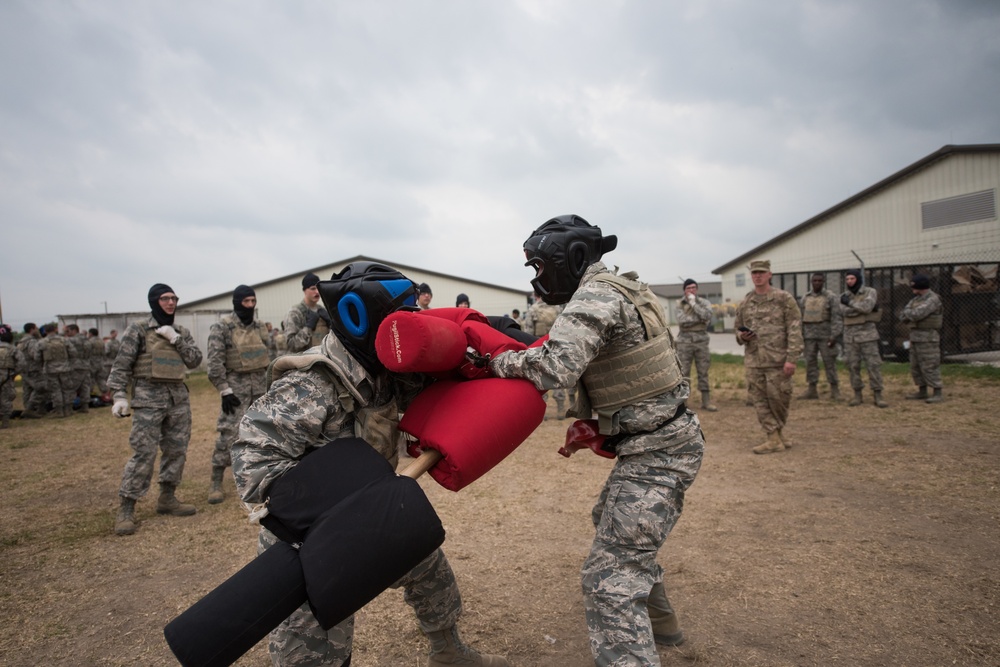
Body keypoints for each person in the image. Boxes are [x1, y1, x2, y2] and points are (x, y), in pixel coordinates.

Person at [232, 261, 509, 667]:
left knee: (428, 568)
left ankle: (448, 652)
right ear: (361, 318)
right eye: (403, 315)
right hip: (309, 537)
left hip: (371, 510)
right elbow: (252, 459)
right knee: (313, 649)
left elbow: (444, 382)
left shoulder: (387, 369)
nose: (411, 323)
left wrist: (492, 339)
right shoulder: (313, 383)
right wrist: (323, 514)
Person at [489, 215, 703, 667]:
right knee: (609, 518)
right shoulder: (623, 287)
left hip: (659, 452)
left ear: (573, 258)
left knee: (609, 578)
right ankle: (662, 622)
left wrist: (495, 363)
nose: (537, 277)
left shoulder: (596, 295)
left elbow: (553, 368)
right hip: (656, 440)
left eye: (540, 267)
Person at [109, 284, 203, 536]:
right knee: (144, 454)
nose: (171, 303)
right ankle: (127, 507)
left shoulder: (180, 331)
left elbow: (195, 360)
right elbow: (121, 367)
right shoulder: (139, 330)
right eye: (165, 298)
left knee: (176, 450)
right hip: (148, 400)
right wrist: (119, 396)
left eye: (174, 298)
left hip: (177, 400)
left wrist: (176, 339)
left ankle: (167, 498)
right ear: (154, 301)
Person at [205, 285, 270, 504]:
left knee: (261, 434)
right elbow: (214, 361)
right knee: (230, 434)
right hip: (235, 389)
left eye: (253, 301)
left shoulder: (261, 327)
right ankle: (216, 480)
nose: (250, 306)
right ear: (237, 303)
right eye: (246, 302)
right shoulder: (222, 327)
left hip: (260, 387)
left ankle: (255, 477)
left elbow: (269, 355)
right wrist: (224, 390)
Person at [734, 260, 804, 454]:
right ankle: (772, 437)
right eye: (755, 273)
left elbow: (795, 329)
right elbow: (737, 327)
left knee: (780, 399)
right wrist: (742, 336)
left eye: (761, 273)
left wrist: (792, 358)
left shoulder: (784, 299)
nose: (758, 276)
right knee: (760, 400)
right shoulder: (746, 302)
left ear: (769, 275)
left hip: (778, 360)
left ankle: (778, 433)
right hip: (754, 361)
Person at [839, 269, 888, 408]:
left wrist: (851, 304)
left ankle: (878, 394)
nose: (849, 281)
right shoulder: (843, 296)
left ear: (858, 279)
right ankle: (857, 394)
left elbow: (867, 307)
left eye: (852, 279)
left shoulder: (870, 292)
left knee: (873, 365)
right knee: (853, 366)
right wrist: (857, 309)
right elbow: (843, 311)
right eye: (847, 279)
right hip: (850, 337)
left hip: (868, 336)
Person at [522, 291, 574, 418]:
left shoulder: (533, 310)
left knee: (540, 379)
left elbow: (528, 332)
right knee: (557, 376)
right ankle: (560, 409)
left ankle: (542, 411)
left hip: (539, 349)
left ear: (535, 296)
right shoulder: (557, 308)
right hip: (556, 347)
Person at [797, 273, 843, 401]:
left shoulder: (831, 297)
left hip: (826, 336)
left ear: (824, 282)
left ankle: (835, 390)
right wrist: (800, 335)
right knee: (810, 362)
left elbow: (836, 317)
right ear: (811, 282)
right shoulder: (805, 298)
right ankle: (812, 390)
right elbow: (800, 317)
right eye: (814, 280)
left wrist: (834, 335)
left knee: (830, 363)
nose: (817, 283)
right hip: (809, 336)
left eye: (819, 280)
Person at [900, 273, 944, 404]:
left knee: (930, 364)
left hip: (928, 338)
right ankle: (922, 390)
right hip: (915, 337)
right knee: (916, 365)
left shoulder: (933, 299)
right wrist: (909, 314)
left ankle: (937, 392)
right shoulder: (916, 300)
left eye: (914, 286)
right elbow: (902, 315)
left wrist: (909, 314)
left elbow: (918, 314)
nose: (912, 289)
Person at [675, 279, 718, 412]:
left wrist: (694, 305)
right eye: (689, 288)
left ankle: (706, 401)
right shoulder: (679, 303)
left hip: (701, 341)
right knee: (684, 372)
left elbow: (707, 315)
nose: (691, 290)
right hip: (684, 341)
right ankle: (683, 403)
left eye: (694, 288)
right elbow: (682, 320)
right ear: (684, 290)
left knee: (703, 370)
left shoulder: (704, 303)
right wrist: (699, 319)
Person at [36, 323, 77, 418]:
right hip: (65, 368)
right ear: (55, 329)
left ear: (45, 331)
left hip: (50, 369)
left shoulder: (42, 342)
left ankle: (59, 411)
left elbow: (37, 357)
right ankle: (68, 409)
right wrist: (68, 363)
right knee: (66, 389)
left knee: (55, 390)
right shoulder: (64, 340)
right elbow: (73, 353)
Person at [284, 272, 331, 354]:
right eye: (313, 288)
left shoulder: (323, 310)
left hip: (323, 359)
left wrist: (331, 324)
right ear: (304, 291)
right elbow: (291, 344)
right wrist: (308, 328)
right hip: (304, 362)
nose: (317, 292)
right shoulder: (295, 312)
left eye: (318, 288)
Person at [16, 323, 48, 418]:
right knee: (41, 388)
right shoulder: (32, 342)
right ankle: (29, 410)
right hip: (34, 369)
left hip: (24, 369)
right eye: (36, 328)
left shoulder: (21, 342)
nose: (37, 330)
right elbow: (35, 356)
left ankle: (31, 410)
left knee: (28, 390)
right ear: (32, 329)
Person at [65, 323, 92, 414]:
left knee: (72, 386)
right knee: (85, 386)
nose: (67, 333)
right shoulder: (87, 340)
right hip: (86, 365)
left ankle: (69, 407)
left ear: (74, 330)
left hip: (75, 366)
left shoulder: (71, 340)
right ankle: (85, 406)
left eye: (68, 331)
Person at [0, 324, 22, 429]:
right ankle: (5, 422)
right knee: (6, 398)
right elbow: (22, 363)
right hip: (7, 376)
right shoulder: (13, 349)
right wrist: (14, 374)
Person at [88, 328, 109, 396]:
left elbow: (87, 352)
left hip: (92, 362)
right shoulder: (101, 341)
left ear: (91, 333)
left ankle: (90, 392)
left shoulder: (90, 341)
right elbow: (104, 352)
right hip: (101, 362)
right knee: (101, 378)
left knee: (91, 378)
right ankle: (105, 392)